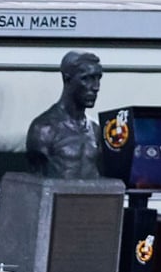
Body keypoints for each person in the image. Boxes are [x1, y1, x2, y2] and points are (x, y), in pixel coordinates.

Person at [26, 50, 103, 179]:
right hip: (56, 192)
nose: (96, 87)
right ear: (68, 79)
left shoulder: (95, 130)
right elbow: (36, 185)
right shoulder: (44, 129)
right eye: (86, 79)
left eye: (98, 78)